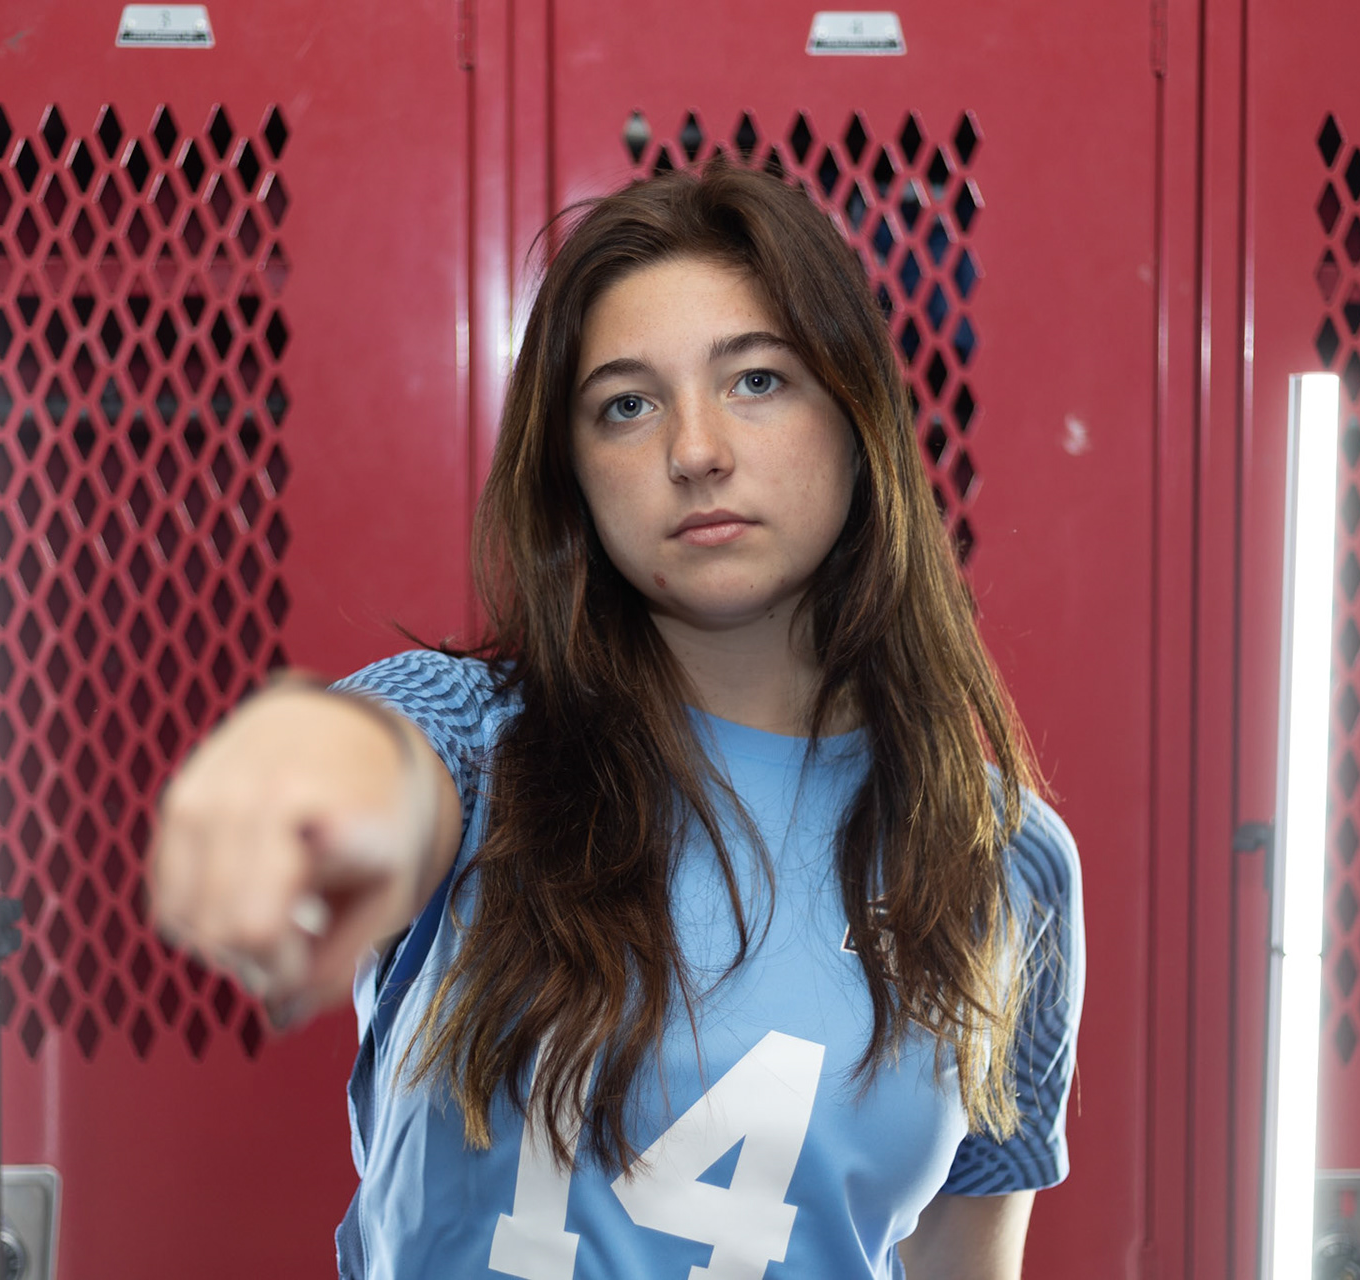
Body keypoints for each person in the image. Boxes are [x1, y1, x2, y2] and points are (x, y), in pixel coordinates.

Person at [147, 157, 1084, 1280]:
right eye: (627, 406)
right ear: (575, 478)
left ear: (856, 416)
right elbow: (380, 761)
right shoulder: (482, 742)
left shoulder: (1001, 858)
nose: (695, 449)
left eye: (758, 380)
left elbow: (962, 1249)